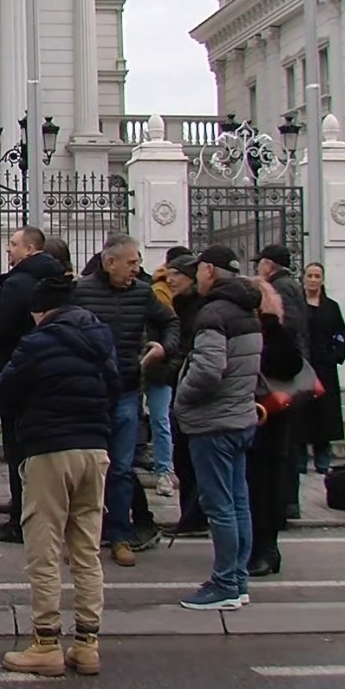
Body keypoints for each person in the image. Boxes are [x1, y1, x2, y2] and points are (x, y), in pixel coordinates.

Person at [0, 275, 117, 677]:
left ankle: (46, 643)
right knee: (86, 549)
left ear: (40, 310)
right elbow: (116, 387)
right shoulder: (100, 338)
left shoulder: (38, 342)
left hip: (49, 448)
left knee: (44, 548)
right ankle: (87, 644)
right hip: (94, 448)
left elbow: (4, 391)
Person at [69, 235, 179, 567]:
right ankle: (81, 538)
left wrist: (164, 348)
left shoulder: (143, 293)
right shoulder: (81, 292)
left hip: (127, 391)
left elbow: (170, 322)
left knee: (120, 468)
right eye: (131, 262)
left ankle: (119, 535)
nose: (136, 268)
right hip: (88, 394)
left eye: (138, 262)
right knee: (84, 469)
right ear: (109, 262)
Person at [173, 246, 262, 610]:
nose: (195, 277)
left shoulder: (212, 314)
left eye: (199, 270)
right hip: (240, 416)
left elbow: (208, 370)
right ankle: (238, 580)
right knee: (238, 502)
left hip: (213, 421)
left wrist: (182, 397)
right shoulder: (247, 310)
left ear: (209, 270)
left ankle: (225, 583)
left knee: (219, 505)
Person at [0, 226, 64, 545]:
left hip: (16, 372)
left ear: (30, 249)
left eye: (13, 244)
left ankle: (20, 519)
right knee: (38, 451)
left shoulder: (18, 283)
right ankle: (37, 509)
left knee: (17, 451)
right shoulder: (56, 278)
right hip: (47, 376)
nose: (8, 249)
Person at [249, 245, 308, 575]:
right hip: (261, 415)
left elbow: (290, 364)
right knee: (260, 483)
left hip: (270, 415)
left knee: (265, 484)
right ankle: (261, 547)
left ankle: (266, 548)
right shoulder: (262, 332)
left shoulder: (275, 334)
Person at [160, 255, 208, 535]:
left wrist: (168, 369)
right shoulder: (177, 304)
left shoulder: (200, 310)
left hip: (191, 393)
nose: (170, 279)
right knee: (183, 457)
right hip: (180, 390)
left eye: (176, 274)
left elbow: (191, 353)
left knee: (192, 458)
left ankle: (196, 516)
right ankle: (191, 516)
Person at [144, 246, 192, 499]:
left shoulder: (185, 299)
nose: (172, 280)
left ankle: (165, 470)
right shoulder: (156, 293)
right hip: (153, 364)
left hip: (164, 365)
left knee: (162, 419)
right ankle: (163, 470)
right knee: (157, 418)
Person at [300, 263, 345, 473]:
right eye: (309, 275)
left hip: (325, 367)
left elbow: (341, 333)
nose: (313, 279)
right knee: (302, 409)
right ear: (303, 278)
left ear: (322, 279)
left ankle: (322, 457)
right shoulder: (297, 305)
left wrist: (336, 354)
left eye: (317, 276)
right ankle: (300, 457)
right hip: (303, 365)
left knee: (325, 411)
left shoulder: (331, 307)